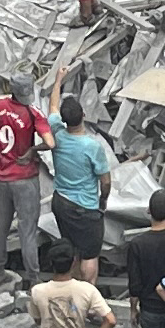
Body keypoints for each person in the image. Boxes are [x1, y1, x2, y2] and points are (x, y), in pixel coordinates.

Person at [0, 86, 52, 284]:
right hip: (25, 179)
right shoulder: (32, 112)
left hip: (1, 178)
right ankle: (33, 279)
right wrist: (32, 149)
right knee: (28, 231)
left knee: (0, 227)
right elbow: (50, 142)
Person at [46, 98, 113, 264]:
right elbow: (105, 182)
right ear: (83, 115)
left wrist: (58, 79)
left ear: (63, 119)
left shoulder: (57, 133)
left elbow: (53, 106)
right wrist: (103, 200)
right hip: (85, 208)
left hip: (61, 203)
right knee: (90, 255)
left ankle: (73, 287)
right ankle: (88, 289)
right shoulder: (92, 146)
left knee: (71, 249)